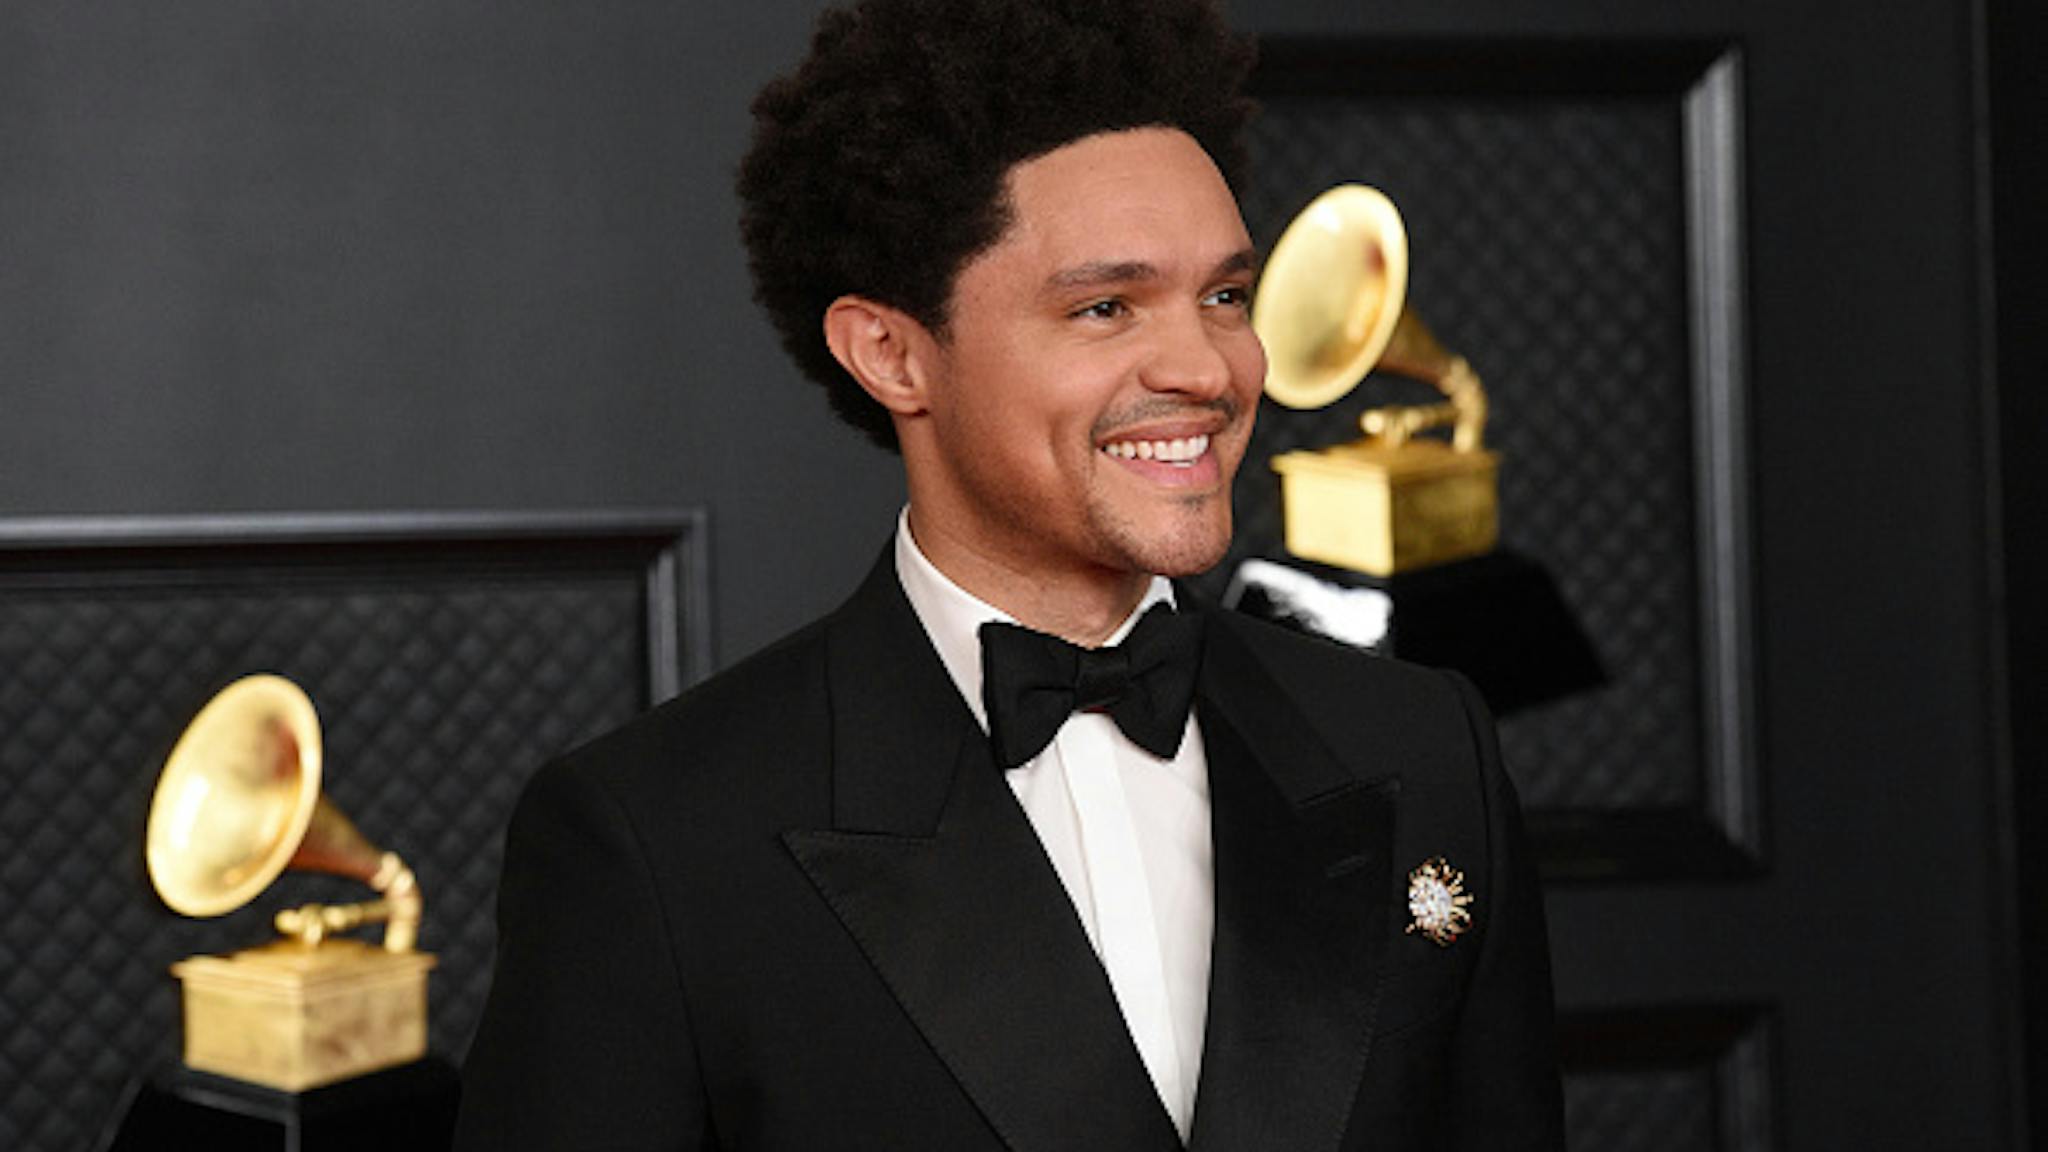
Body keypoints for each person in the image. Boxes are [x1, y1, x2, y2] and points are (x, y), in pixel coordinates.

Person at [454, 0, 1565, 1148]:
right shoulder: (655, 839)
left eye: (1223, 296)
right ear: (890, 353)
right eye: (1104, 307)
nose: (1207, 367)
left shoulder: (1424, 748)